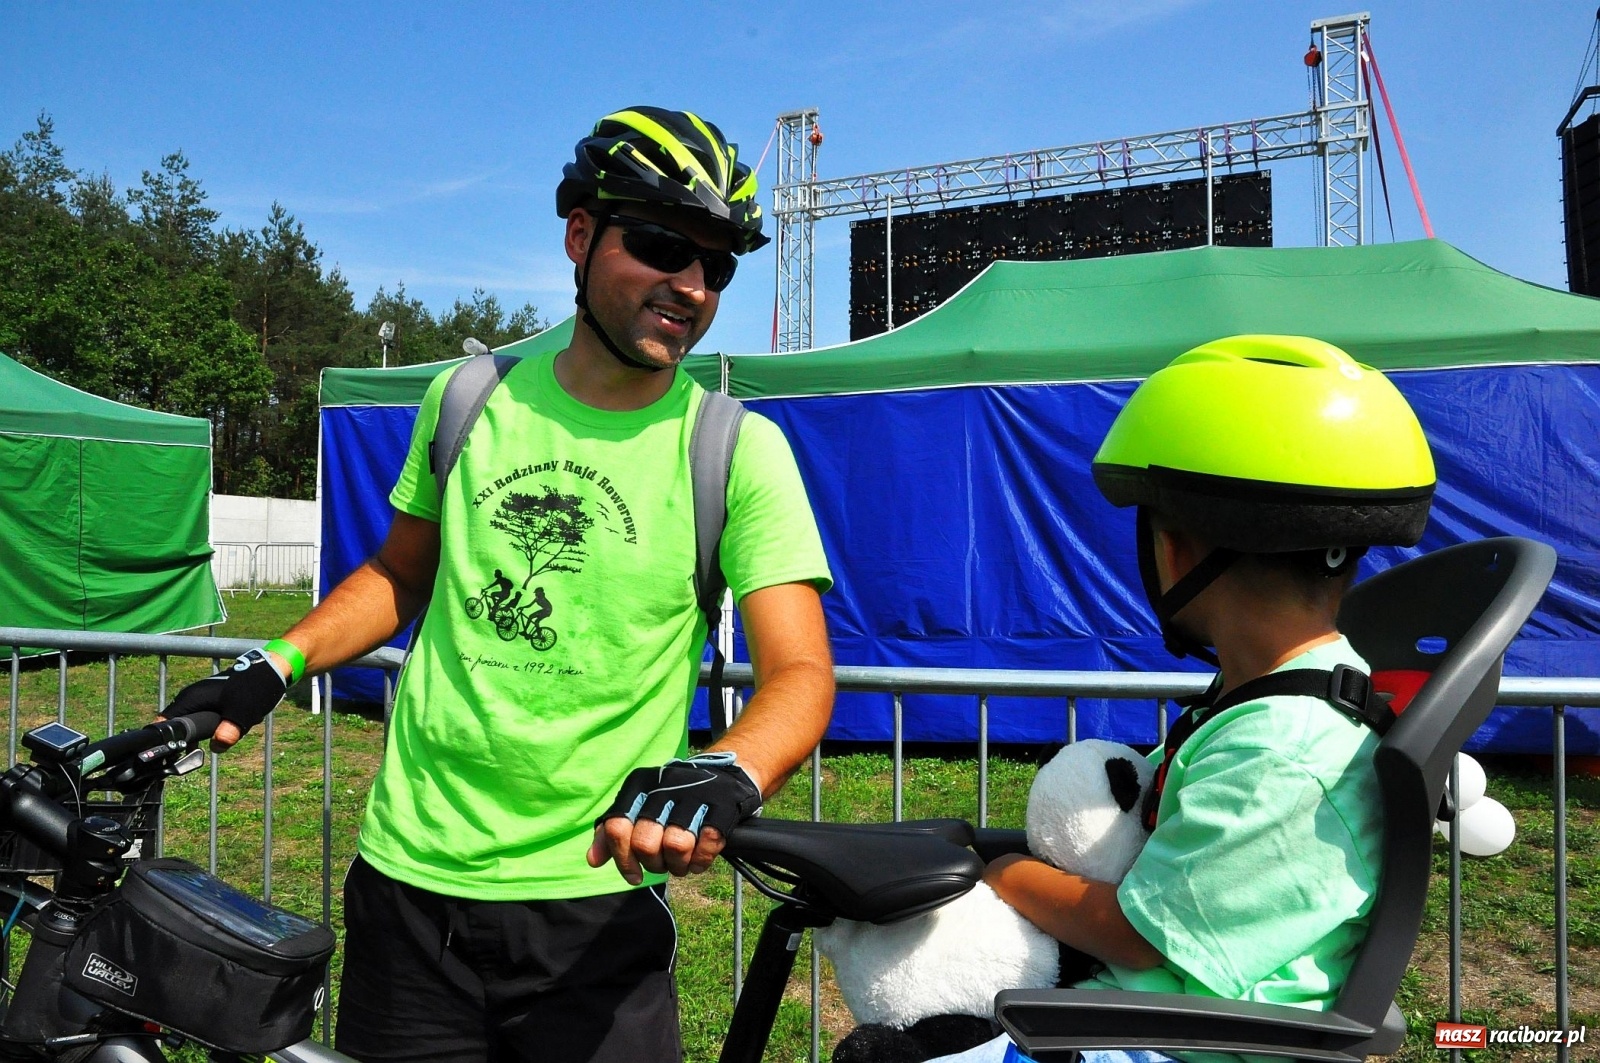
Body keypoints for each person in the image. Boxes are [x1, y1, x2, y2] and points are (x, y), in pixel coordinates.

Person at [162, 106, 835, 1063]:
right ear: (578, 234)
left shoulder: (735, 449)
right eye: (659, 246)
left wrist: (731, 768)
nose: (688, 286)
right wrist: (274, 661)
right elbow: (401, 574)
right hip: (410, 887)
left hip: (594, 907)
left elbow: (800, 670)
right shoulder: (468, 398)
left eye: (716, 265)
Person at [938, 334, 1436, 1063]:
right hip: (1125, 1024)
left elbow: (1137, 932)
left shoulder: (1281, 749)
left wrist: (1005, 873)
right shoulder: (1270, 706)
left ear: (1177, 550)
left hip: (1152, 1045)